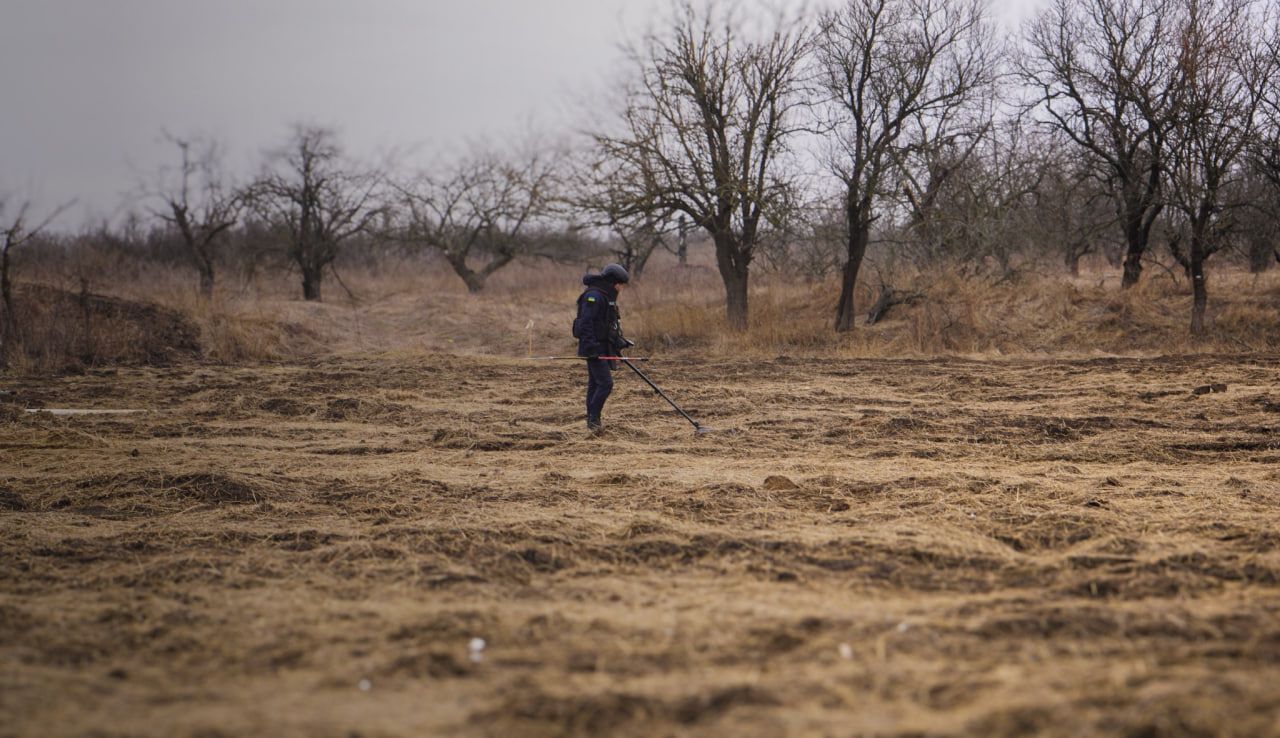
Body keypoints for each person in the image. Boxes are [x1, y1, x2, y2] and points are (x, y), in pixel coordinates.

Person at [573, 263, 632, 432]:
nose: (621, 289)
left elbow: (606, 324)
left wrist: (618, 341)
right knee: (605, 384)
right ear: (614, 283)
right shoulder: (594, 296)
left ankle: (592, 422)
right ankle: (593, 419)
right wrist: (592, 347)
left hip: (602, 346)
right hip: (594, 348)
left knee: (595, 383)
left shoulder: (606, 296)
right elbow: (586, 324)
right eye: (621, 285)